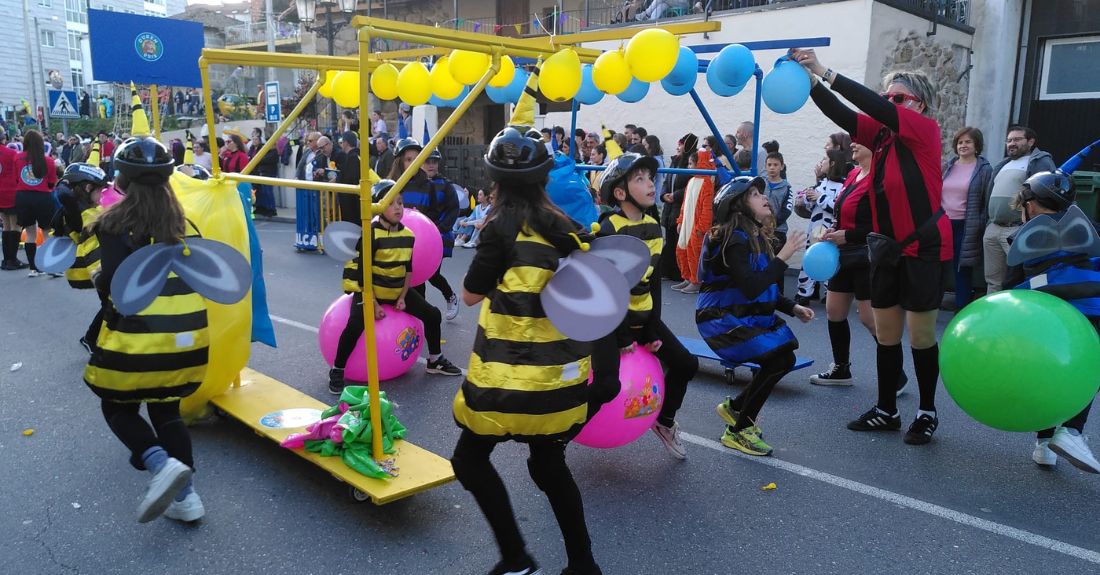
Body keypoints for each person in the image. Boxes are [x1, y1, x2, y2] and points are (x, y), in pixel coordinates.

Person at [451, 126, 601, 575]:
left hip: (508, 379)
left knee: (469, 460)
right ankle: (583, 563)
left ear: (495, 180)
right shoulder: (569, 228)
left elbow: (470, 295)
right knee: (549, 463)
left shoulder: (499, 227)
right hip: (560, 383)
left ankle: (515, 557)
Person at [796, 47, 951, 445]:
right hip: (885, 247)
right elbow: (843, 115)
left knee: (919, 335)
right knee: (886, 333)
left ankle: (926, 411)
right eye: (886, 97)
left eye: (896, 98)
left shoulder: (923, 131)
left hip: (923, 247)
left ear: (920, 105)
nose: (887, 103)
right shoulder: (879, 136)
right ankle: (887, 409)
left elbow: (862, 103)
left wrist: (826, 70)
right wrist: (811, 82)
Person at [86, 136, 207, 523]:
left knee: (116, 407)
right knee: (166, 409)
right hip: (185, 339)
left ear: (122, 180)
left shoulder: (111, 224)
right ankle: (186, 498)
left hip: (136, 339)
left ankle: (158, 463)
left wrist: (99, 279)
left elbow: (117, 288)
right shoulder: (185, 226)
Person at [591, 152, 700, 459]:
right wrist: (624, 336)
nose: (650, 183)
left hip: (643, 315)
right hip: (611, 324)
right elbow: (605, 291)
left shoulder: (654, 226)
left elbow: (653, 285)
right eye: (639, 178)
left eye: (650, 177)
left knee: (686, 364)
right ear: (620, 192)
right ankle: (565, 428)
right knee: (605, 386)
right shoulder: (608, 227)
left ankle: (664, 422)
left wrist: (652, 327)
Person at [698, 176, 813, 455]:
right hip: (722, 319)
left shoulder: (751, 236)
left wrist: (791, 307)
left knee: (783, 358)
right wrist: (783, 258)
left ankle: (736, 408)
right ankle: (739, 430)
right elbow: (750, 287)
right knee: (778, 359)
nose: (763, 197)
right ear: (737, 206)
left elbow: (761, 286)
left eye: (761, 192)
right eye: (753, 194)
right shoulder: (733, 238)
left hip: (741, 314)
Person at [329, 179, 463, 395]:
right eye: (392, 203)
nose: (398, 207)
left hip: (395, 290)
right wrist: (373, 304)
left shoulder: (408, 235)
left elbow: (408, 269)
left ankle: (435, 360)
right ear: (378, 206)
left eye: (400, 202)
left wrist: (402, 297)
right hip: (369, 290)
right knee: (355, 325)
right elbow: (363, 275)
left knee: (432, 315)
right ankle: (337, 369)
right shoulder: (370, 233)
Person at [1005, 171, 1100, 474]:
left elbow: (1011, 290)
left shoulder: (1023, 241)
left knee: (1046, 372)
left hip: (1043, 320)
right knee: (1089, 369)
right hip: (1090, 314)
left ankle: (1045, 442)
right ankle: (1070, 431)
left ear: (1029, 204)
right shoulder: (1091, 232)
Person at [810, 142, 909, 393]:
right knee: (834, 311)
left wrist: (850, 234)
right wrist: (834, 231)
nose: (852, 143)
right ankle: (841, 369)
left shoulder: (882, 178)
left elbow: (887, 224)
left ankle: (896, 374)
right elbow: (844, 212)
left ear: (875, 148)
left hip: (867, 255)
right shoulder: (854, 173)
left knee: (870, 319)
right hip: (844, 253)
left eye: (859, 140)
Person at [388, 138, 461, 320]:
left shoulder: (432, 186)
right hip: (398, 242)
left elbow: (440, 212)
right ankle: (411, 317)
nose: (414, 164)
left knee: (428, 275)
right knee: (405, 281)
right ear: (400, 162)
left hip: (425, 243)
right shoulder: (391, 186)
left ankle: (437, 306)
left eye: (416, 159)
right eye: (408, 159)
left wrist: (435, 230)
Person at [981, 125, 1056, 294]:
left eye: (1016, 139)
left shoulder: (1040, 161)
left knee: (1019, 280)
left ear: (1031, 142)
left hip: (1017, 230)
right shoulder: (1002, 165)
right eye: (1009, 140)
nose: (1011, 144)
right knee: (992, 280)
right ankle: (993, 316)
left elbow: (1046, 196)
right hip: (993, 229)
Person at [51, 162, 110, 350]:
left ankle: (92, 339)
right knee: (111, 306)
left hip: (101, 266)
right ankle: (93, 340)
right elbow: (94, 245)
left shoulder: (76, 210)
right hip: (99, 266)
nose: (103, 195)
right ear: (88, 187)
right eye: (101, 190)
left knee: (109, 306)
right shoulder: (84, 214)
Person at [943, 127, 992, 309]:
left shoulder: (984, 170)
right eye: (960, 142)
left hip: (966, 226)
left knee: (962, 270)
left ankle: (961, 310)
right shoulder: (947, 166)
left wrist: (980, 223)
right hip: (942, 224)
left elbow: (986, 202)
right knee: (937, 267)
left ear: (976, 145)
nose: (963, 145)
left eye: (968, 142)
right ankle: (929, 307)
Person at [793, 148, 847, 306]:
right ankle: (804, 292)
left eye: (824, 159)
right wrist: (807, 199)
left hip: (831, 230)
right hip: (815, 228)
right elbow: (812, 207)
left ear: (833, 163)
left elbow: (839, 207)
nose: (821, 162)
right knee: (809, 258)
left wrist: (819, 197)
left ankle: (829, 292)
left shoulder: (843, 185)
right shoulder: (821, 183)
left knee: (831, 260)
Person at [13, 130, 60, 276]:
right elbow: (52, 182)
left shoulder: (18, 158)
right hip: (43, 198)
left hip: (23, 197)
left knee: (30, 233)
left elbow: (16, 179)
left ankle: (33, 268)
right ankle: (50, 267)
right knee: (46, 232)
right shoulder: (48, 161)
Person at [674, 150, 716, 294]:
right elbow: (685, 204)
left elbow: (707, 208)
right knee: (682, 249)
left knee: (695, 253)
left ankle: (696, 281)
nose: (689, 166)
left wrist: (702, 227)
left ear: (700, 163)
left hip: (696, 226)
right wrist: (680, 220)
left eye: (692, 163)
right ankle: (687, 277)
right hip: (687, 223)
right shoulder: (691, 181)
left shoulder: (707, 183)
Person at [660, 133, 698, 282]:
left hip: (680, 207)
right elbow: (666, 180)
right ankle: (667, 271)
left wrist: (675, 195)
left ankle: (679, 273)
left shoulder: (689, 163)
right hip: (670, 208)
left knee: (679, 241)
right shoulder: (675, 161)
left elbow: (691, 185)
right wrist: (664, 195)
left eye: (681, 144)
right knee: (669, 240)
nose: (678, 147)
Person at [0, 133, 23, 270]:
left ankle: (6, 259)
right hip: (11, 191)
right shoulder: (11, 153)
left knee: (6, 225)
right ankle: (13, 259)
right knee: (15, 225)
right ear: (4, 138)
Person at [763, 151, 793, 251]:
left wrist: (772, 224)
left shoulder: (787, 187)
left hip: (778, 231)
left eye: (775, 165)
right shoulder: (760, 183)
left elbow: (787, 210)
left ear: (782, 167)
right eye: (769, 165)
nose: (772, 167)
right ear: (765, 166)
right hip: (760, 229)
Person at [250, 129, 280, 218]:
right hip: (262, 173)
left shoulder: (274, 152)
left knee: (268, 192)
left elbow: (263, 160)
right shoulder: (267, 151)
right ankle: (264, 208)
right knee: (263, 192)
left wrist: (259, 159)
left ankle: (271, 209)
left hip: (269, 174)